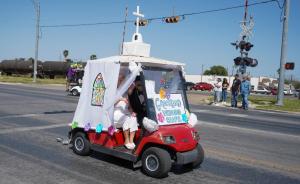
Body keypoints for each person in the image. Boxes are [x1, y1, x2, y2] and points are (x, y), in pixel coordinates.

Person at [114, 74, 138, 150]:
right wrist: (120, 99)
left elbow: (129, 106)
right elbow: (109, 105)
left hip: (125, 113)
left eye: (122, 81)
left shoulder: (125, 93)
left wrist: (132, 111)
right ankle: (126, 140)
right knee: (127, 119)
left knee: (133, 118)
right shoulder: (113, 91)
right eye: (120, 80)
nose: (121, 82)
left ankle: (131, 140)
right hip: (115, 114)